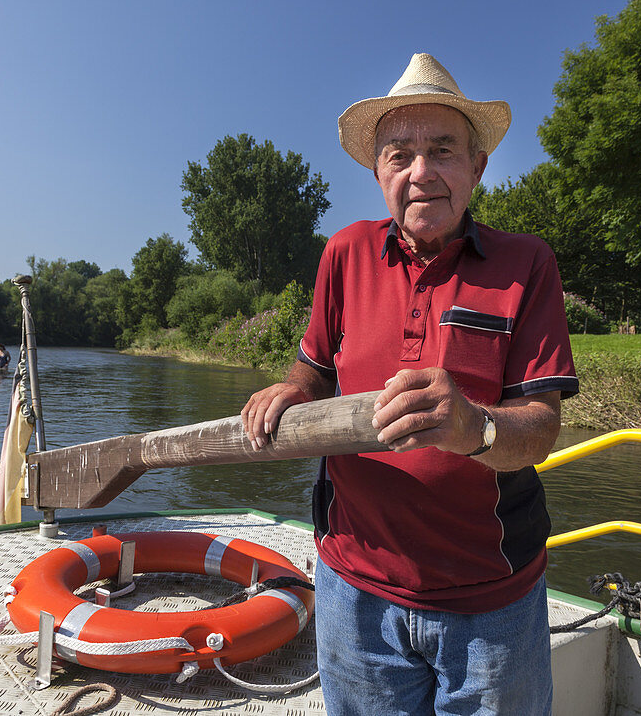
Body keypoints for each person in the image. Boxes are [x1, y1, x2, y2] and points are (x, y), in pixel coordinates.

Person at [241, 53, 578, 714]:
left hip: (492, 601)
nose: (421, 171)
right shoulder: (343, 252)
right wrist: (292, 389)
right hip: (353, 588)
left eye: (442, 149)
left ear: (476, 167)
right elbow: (315, 364)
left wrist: (472, 426)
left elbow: (540, 425)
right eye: (400, 154)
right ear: (379, 173)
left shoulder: (526, 263)